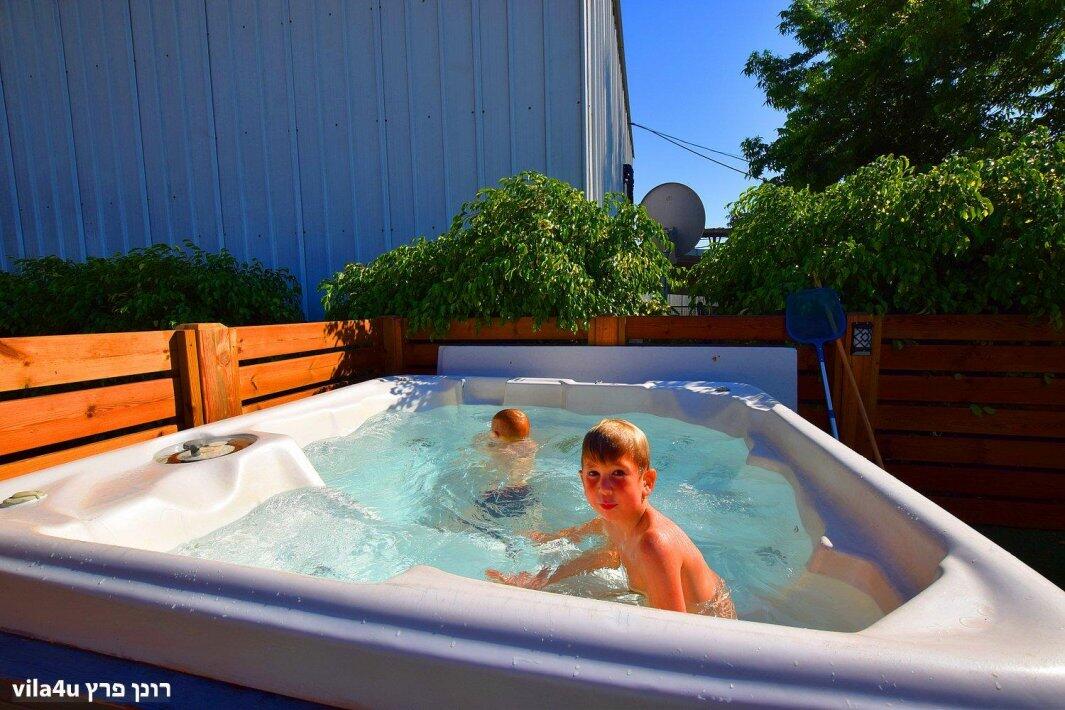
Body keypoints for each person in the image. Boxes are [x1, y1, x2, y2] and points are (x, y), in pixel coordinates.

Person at [486, 418, 737, 619]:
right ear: (581, 478)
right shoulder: (613, 520)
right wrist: (541, 578)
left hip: (710, 623)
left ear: (647, 482)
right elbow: (607, 554)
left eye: (618, 473)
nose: (604, 488)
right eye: (593, 474)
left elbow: (674, 635)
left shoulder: (653, 544)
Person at [475, 409, 538, 518]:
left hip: (499, 492)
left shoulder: (498, 449)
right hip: (524, 491)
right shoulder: (532, 445)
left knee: (472, 516)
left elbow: (477, 445)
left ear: (495, 434)